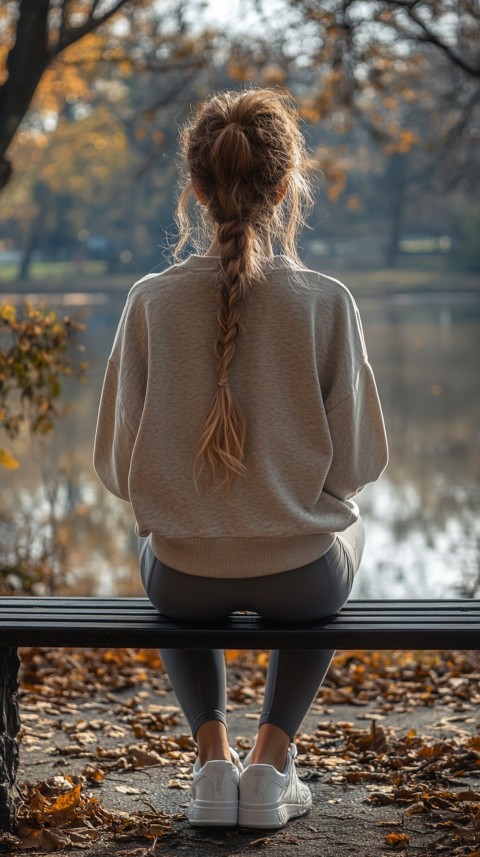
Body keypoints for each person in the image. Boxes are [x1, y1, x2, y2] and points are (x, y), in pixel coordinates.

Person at [93, 87, 388, 831]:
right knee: (349, 526)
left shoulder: (150, 301)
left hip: (184, 582)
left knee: (174, 542)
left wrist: (201, 505)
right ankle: (269, 764)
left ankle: (211, 763)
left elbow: (116, 469)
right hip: (304, 581)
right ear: (287, 187)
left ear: (194, 189)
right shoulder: (326, 302)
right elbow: (359, 464)